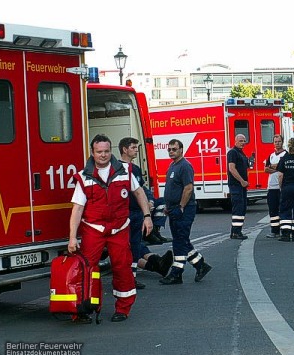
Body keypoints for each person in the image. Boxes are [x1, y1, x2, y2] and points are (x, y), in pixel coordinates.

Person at [68, 134, 152, 323]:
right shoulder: (84, 177)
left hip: (120, 228)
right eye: (99, 152)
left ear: (111, 150)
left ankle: (123, 308)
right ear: (92, 152)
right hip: (93, 229)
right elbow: (77, 208)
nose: (103, 155)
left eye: (106, 151)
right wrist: (72, 237)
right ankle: (85, 308)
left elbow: (138, 192)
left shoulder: (125, 171)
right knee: (88, 269)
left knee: (122, 268)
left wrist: (147, 216)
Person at [119, 137, 173, 289]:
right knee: (126, 247)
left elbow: (141, 190)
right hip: (124, 214)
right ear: (125, 149)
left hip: (137, 213)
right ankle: (130, 277)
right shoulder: (116, 168)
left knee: (136, 246)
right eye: (133, 147)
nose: (136, 150)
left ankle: (133, 276)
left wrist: (148, 202)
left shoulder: (135, 169)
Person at [159, 139, 212, 285]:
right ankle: (200, 265)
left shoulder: (185, 166)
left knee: (180, 241)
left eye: (174, 149)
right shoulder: (172, 165)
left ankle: (177, 273)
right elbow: (172, 187)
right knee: (182, 240)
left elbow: (188, 188)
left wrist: (181, 206)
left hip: (183, 209)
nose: (171, 151)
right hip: (173, 208)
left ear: (181, 150)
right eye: (169, 149)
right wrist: (167, 205)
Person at [264, 134, 287, 238]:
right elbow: (266, 169)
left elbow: (284, 169)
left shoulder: (286, 155)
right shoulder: (271, 155)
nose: (277, 143)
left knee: (283, 209)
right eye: (275, 142)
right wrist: (277, 168)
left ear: (282, 142)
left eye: (279, 141)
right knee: (272, 210)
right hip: (271, 187)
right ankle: (274, 230)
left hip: (282, 187)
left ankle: (284, 230)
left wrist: (273, 168)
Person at [227, 134, 249, 240]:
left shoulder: (241, 153)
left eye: (244, 141)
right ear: (235, 141)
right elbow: (232, 168)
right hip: (236, 185)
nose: (243, 142)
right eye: (240, 140)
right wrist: (241, 181)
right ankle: (235, 232)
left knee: (242, 208)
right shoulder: (233, 152)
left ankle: (237, 231)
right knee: (238, 209)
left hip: (241, 186)